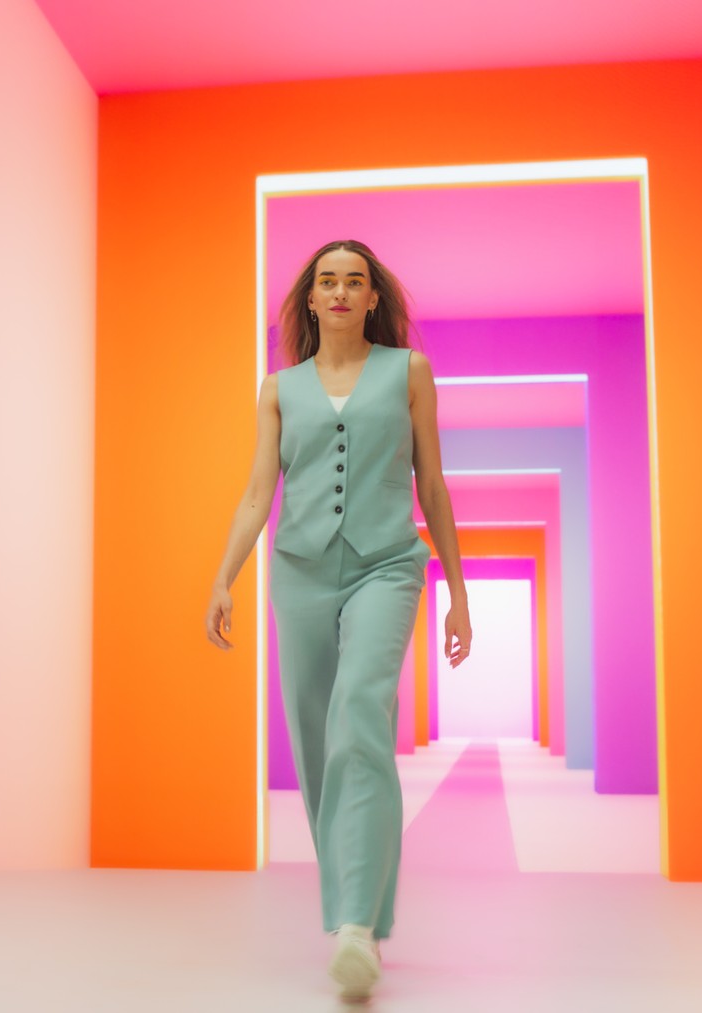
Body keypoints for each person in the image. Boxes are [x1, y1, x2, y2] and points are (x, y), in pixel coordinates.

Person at [205, 239, 472, 1001]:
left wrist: (457, 590)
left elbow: (434, 483)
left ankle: (353, 925)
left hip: (388, 564)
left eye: (356, 281)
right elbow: (260, 493)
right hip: (300, 572)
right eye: (329, 281)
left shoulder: (409, 372)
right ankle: (364, 910)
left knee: (360, 714)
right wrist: (225, 575)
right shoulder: (279, 389)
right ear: (312, 298)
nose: (343, 292)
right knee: (320, 745)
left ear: (373, 298)